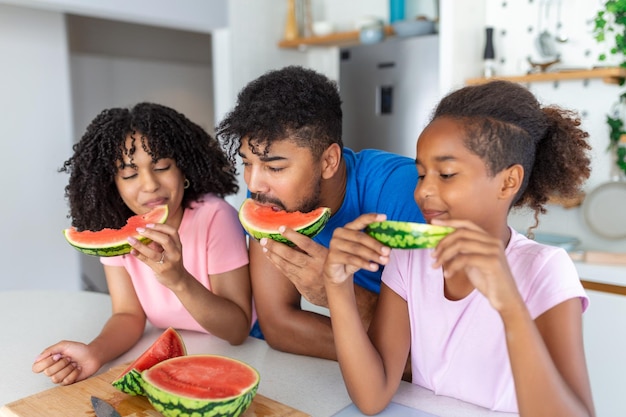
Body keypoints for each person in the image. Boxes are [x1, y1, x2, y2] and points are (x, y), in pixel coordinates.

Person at [323, 80, 596, 416]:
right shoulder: (410, 259)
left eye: (447, 174)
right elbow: (372, 396)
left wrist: (509, 305)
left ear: (508, 182)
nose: (423, 191)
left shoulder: (544, 269)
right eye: (421, 175)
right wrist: (337, 286)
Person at [33, 102, 252, 385]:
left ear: (183, 170)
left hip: (241, 354)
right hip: (177, 360)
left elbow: (237, 330)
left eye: (161, 166)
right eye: (130, 173)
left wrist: (178, 280)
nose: (150, 184)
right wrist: (94, 353)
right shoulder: (116, 229)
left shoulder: (215, 217)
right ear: (112, 184)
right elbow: (128, 314)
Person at [216, 66, 424, 360]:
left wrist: (338, 294)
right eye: (247, 163)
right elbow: (278, 325)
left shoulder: (406, 193)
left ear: (328, 161)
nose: (253, 183)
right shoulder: (268, 196)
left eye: (275, 167)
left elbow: (438, 341)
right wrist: (385, 356)